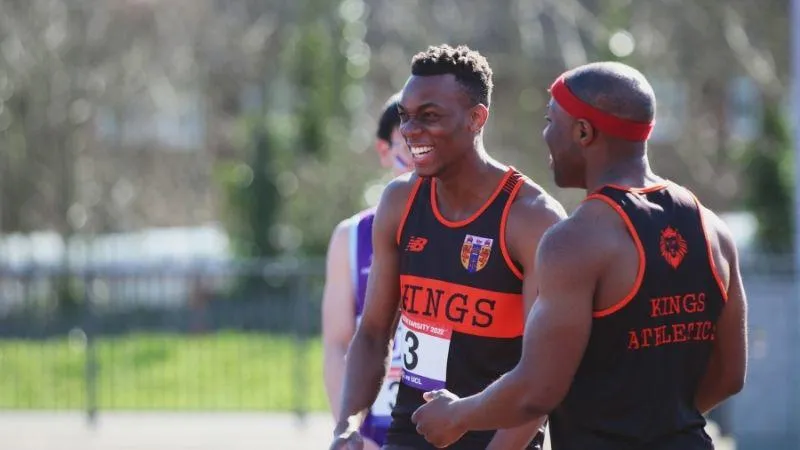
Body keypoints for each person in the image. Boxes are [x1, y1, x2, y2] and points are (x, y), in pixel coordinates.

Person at [411, 61, 748, 450]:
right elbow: (730, 376)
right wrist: (658, 424)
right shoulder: (712, 229)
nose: (545, 135)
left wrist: (457, 415)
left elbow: (537, 390)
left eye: (551, 120)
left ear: (584, 132)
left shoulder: (575, 241)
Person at [329, 44, 566, 450]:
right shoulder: (399, 202)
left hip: (501, 441)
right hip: (411, 434)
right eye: (405, 116)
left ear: (476, 118)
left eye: (430, 117)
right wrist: (348, 425)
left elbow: (543, 373)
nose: (410, 130)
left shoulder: (532, 218)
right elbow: (371, 334)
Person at [322, 93, 413, 450]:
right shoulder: (352, 236)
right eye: (407, 143)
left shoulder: (473, 231)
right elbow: (336, 343)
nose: (416, 156)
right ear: (385, 150)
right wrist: (348, 431)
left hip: (453, 427)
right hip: (380, 431)